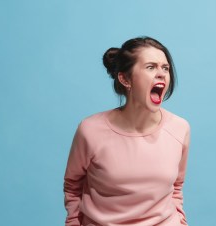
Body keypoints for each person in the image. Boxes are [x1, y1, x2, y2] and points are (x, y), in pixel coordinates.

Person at [64, 36, 191, 226]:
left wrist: (181, 221)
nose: (161, 74)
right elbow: (72, 186)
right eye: (151, 67)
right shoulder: (90, 130)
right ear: (125, 78)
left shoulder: (180, 128)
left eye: (165, 68)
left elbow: (176, 187)